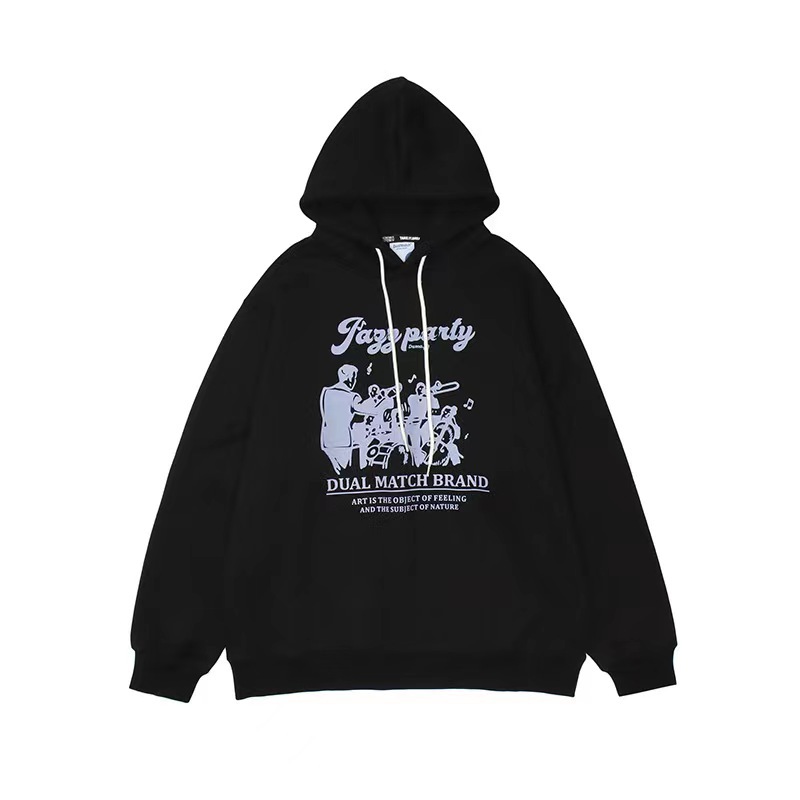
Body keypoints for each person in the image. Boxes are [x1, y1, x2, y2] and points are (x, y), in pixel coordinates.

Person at [319, 365, 373, 473]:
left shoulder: (326, 392)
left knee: (333, 472)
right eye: (355, 377)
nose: (355, 381)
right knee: (343, 471)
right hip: (343, 441)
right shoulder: (352, 397)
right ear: (349, 378)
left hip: (326, 440)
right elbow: (369, 409)